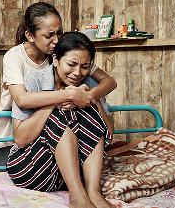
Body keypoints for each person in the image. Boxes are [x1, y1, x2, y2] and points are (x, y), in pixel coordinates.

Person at [0, 2, 117, 166]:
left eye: (59, 32)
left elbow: (109, 81)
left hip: (52, 137)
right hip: (13, 135)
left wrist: (88, 96)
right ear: (30, 35)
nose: (56, 40)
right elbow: (22, 99)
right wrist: (71, 95)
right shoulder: (14, 57)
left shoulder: (64, 53)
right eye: (49, 35)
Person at [7, 32, 114, 208]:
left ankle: (93, 192)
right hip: (33, 168)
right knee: (56, 114)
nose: (77, 72)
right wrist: (58, 99)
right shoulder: (34, 80)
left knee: (88, 106)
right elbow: (20, 138)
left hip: (69, 174)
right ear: (56, 60)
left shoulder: (89, 83)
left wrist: (90, 100)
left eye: (85, 66)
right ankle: (78, 198)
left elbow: (109, 131)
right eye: (71, 64)